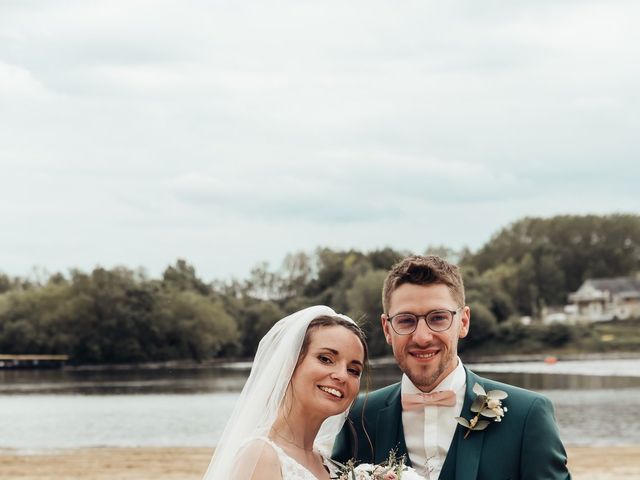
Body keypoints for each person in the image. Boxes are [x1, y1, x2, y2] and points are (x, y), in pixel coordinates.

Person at [333, 255, 571, 480]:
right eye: (406, 320)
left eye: (438, 318)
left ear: (463, 322)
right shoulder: (357, 419)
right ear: (387, 329)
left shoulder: (527, 415)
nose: (423, 337)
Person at [203, 305, 368, 480]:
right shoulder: (261, 456)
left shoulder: (328, 464)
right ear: (290, 364)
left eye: (353, 370)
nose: (342, 375)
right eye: (325, 359)